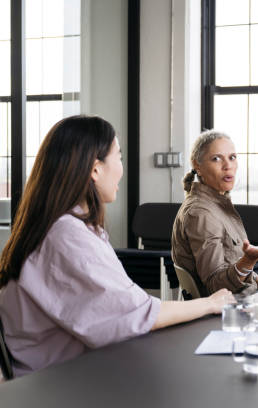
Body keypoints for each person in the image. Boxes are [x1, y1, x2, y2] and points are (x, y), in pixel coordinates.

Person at [0, 115, 233, 377]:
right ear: (95, 169)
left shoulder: (65, 226)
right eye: (119, 157)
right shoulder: (66, 235)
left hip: (67, 371)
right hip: (57, 382)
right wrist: (210, 303)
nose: (122, 168)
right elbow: (137, 314)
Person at [171, 130, 258, 297]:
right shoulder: (201, 213)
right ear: (197, 166)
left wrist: (249, 274)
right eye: (216, 158)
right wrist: (247, 262)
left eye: (232, 157)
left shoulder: (217, 204)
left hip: (243, 303)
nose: (228, 165)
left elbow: (227, 261)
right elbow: (215, 286)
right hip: (228, 314)